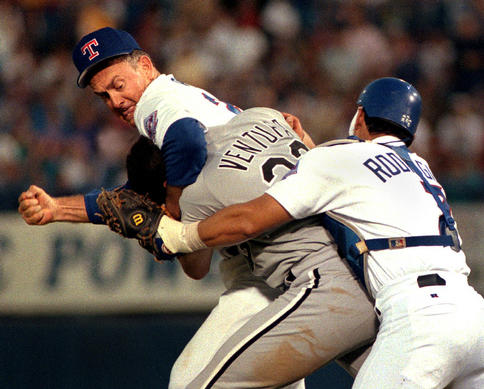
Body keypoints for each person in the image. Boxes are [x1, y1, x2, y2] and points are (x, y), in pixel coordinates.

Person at [16, 27, 323, 389]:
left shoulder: (156, 102)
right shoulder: (187, 99)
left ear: (145, 66)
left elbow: (187, 142)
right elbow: (132, 198)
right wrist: (59, 209)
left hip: (280, 247)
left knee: (191, 379)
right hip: (277, 238)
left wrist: (175, 206)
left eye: (118, 84)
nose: (114, 101)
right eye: (103, 96)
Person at [157, 77, 484, 388]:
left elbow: (249, 220)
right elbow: (348, 184)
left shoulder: (342, 157)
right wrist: (309, 148)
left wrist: (181, 236)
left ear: (360, 115)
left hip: (418, 313)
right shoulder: (420, 165)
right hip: (472, 312)